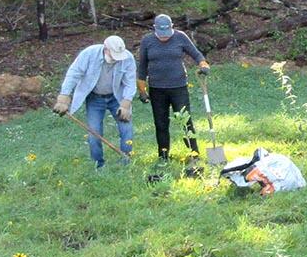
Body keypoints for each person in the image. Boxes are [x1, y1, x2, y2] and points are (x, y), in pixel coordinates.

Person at [53, 35, 136, 168]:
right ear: (106, 49)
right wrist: (64, 97)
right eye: (113, 54)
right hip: (95, 98)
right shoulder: (89, 54)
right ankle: (98, 164)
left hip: (117, 97)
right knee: (94, 133)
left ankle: (126, 161)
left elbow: (130, 83)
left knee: (126, 129)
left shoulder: (128, 58)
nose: (116, 58)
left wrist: (126, 104)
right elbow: (73, 74)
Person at [137, 14, 210, 163]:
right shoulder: (147, 41)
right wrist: (142, 90)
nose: (164, 37)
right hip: (157, 89)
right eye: (161, 34)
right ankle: (163, 156)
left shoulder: (180, 37)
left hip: (178, 87)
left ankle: (194, 154)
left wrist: (203, 65)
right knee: (161, 123)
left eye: (167, 33)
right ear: (154, 29)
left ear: (171, 27)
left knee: (185, 122)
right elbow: (142, 67)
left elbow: (196, 55)